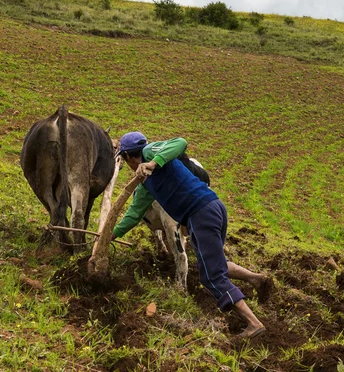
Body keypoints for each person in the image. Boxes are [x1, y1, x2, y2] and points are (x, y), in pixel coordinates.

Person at [111, 132, 272, 338]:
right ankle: (256, 279)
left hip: (201, 213)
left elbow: (180, 143)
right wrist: (111, 235)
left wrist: (152, 163)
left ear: (128, 157)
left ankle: (253, 323)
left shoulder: (150, 152)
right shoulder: (145, 184)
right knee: (215, 261)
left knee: (211, 276)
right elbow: (133, 215)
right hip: (210, 209)